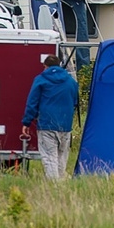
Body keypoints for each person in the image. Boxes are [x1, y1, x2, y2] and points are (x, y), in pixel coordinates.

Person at [22, 52, 80, 180]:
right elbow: (75, 102)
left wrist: (26, 122)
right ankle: (61, 182)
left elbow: (32, 102)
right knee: (61, 156)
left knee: (49, 157)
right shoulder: (71, 82)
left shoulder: (41, 80)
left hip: (46, 125)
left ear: (46, 66)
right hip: (65, 126)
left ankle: (54, 186)